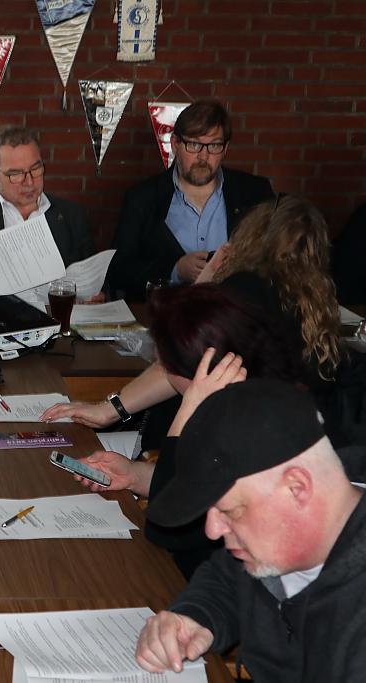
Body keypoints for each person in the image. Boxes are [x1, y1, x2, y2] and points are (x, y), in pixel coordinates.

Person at [43, 196, 342, 439]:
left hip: (209, 440)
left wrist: (108, 411)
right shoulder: (317, 305)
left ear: (253, 235)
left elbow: (178, 357)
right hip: (281, 441)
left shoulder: (243, 290)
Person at [58, 283, 304, 577]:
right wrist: (135, 475)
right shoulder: (249, 402)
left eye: (164, 362)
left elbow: (165, 527)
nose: (161, 368)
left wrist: (187, 411)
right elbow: (198, 487)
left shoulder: (249, 428)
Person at [134, 379, 366, 681]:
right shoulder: (277, 542)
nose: (213, 530)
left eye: (230, 511)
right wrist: (194, 617)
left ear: (297, 488)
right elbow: (227, 577)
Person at [105, 99, 273, 300]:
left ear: (225, 148)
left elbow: (277, 260)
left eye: (214, 145)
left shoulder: (255, 192)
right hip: (165, 314)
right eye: (193, 144)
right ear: (175, 144)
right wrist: (175, 270)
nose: (203, 156)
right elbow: (118, 269)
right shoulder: (143, 198)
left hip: (237, 314)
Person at [0, 125, 94, 299]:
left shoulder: (71, 214)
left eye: (35, 169)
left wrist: (95, 296)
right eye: (16, 174)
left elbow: (94, 280)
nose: (29, 182)